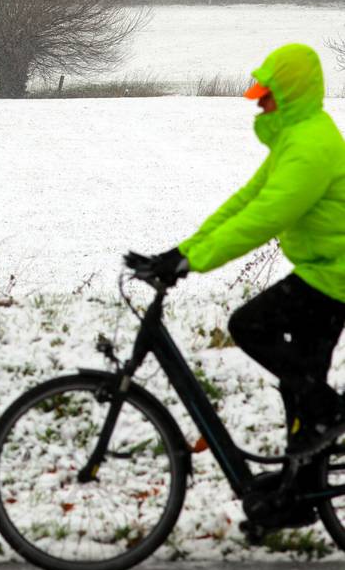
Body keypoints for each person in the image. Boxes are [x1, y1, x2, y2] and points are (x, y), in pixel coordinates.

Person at [147, 43, 345, 457]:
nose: (258, 104)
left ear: (289, 94)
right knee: (302, 387)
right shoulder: (297, 138)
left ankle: (330, 410)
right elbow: (245, 201)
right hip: (325, 271)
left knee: (249, 326)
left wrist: (194, 261)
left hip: (333, 277)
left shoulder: (311, 147)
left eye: (266, 95)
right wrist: (182, 249)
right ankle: (298, 491)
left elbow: (266, 217)